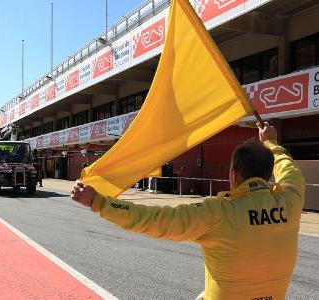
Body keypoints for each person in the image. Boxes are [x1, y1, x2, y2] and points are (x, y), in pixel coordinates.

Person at [71, 122, 305, 300]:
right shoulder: (291, 201)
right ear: (268, 173)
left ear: (233, 174)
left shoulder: (217, 213)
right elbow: (288, 168)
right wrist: (272, 143)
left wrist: (100, 203)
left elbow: (153, 220)